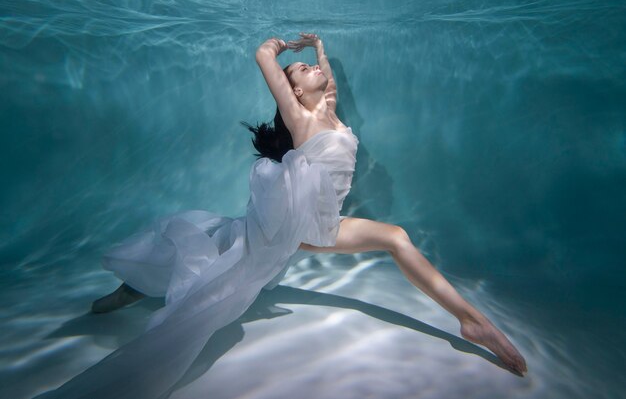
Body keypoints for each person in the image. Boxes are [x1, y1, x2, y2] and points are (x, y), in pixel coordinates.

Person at [68, 32, 525, 399]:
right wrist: (280, 50)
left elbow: (329, 82)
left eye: (311, 70)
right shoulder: (300, 119)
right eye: (301, 73)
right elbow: (261, 56)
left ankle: (470, 320)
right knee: (211, 277)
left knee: (396, 237)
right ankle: (132, 287)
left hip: (319, 229)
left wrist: (319, 51)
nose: (311, 72)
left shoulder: (328, 112)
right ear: (292, 91)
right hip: (289, 228)